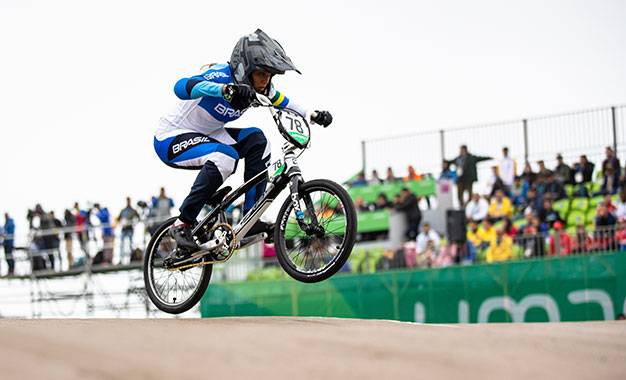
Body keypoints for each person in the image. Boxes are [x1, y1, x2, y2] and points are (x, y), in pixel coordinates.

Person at [153, 29, 333, 251]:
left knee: (259, 140)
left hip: (209, 135)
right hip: (171, 137)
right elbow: (180, 87)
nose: (265, 80)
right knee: (225, 157)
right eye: (261, 74)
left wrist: (312, 115)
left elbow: (284, 102)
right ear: (245, 70)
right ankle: (183, 224)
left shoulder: (261, 89)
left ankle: (251, 217)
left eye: (270, 75)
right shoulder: (221, 75)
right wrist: (224, 90)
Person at [118, 197, 140, 264]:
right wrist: (122, 223)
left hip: (130, 228)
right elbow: (118, 218)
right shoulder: (123, 210)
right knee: (122, 244)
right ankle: (121, 260)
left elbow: (138, 218)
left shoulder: (133, 210)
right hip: (124, 229)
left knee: (131, 244)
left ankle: (131, 258)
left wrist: (134, 223)